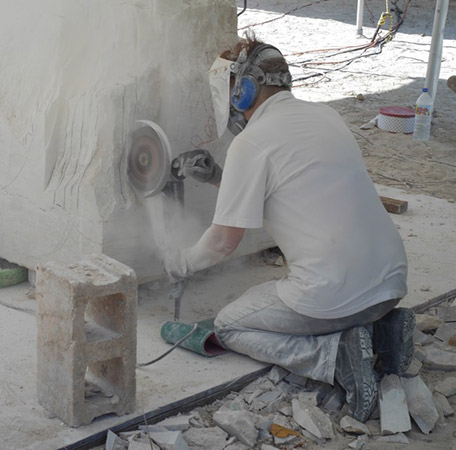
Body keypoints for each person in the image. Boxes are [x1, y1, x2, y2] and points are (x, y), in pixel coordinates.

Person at [165, 33, 413, 422]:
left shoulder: (252, 144)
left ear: (243, 91)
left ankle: (332, 359)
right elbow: (290, 191)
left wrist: (180, 262)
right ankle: (383, 330)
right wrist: (218, 177)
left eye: (230, 90)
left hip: (334, 295)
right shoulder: (326, 116)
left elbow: (222, 243)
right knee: (346, 296)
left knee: (229, 325)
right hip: (391, 282)